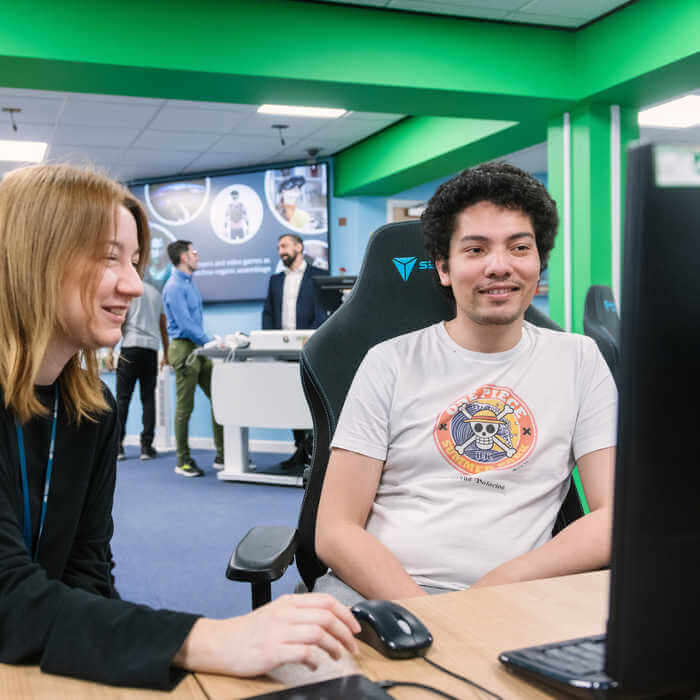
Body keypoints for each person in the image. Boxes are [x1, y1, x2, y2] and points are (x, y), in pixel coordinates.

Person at [0, 164, 360, 689]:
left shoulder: (91, 410)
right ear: (33, 260)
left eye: (135, 261)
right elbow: (7, 598)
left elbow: (86, 580)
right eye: (108, 258)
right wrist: (211, 640)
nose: (131, 283)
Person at [314, 162, 618, 605]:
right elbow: (335, 529)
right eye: (475, 250)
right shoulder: (390, 362)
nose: (500, 266)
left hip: (518, 596)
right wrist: (431, 614)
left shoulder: (579, 360)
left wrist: (495, 591)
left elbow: (614, 519)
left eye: (519, 247)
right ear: (443, 267)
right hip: (374, 594)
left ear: (538, 263)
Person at [262, 233, 328, 469]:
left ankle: (313, 449)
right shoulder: (275, 280)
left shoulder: (319, 276)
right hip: (283, 351)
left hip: (310, 349)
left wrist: (308, 339)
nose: (281, 251)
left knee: (310, 400)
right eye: (279, 247)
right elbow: (268, 313)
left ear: (299, 247)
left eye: (285, 246)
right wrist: (271, 340)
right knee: (289, 399)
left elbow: (323, 314)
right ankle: (300, 449)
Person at [162, 240, 224, 477]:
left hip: (198, 348)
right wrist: (209, 341)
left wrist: (207, 343)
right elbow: (186, 324)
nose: (197, 255)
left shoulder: (189, 283)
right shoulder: (174, 286)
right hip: (184, 349)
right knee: (184, 407)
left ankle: (222, 454)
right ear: (184, 258)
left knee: (219, 397)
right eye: (193, 252)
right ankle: (183, 461)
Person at [107, 280, 169, 460]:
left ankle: (117, 447)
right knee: (148, 399)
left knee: (122, 399)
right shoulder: (156, 294)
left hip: (130, 348)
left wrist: (111, 351)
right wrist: (166, 352)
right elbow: (163, 326)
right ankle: (146, 447)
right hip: (150, 350)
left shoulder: (130, 291)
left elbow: (120, 321)